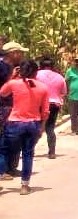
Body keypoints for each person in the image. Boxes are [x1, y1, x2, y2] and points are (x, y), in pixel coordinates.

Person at [0, 60, 49, 195]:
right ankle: (24, 186)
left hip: (14, 123)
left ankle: (1, 174)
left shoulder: (13, 84)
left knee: (3, 150)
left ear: (20, 70)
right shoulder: (43, 87)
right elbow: (45, 111)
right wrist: (42, 127)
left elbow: (2, 93)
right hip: (33, 124)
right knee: (28, 154)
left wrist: (11, 77)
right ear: (36, 72)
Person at [0, 41, 27, 180]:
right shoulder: (2, 67)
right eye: (20, 52)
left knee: (15, 139)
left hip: (15, 106)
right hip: (4, 108)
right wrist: (12, 78)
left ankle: (11, 167)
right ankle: (2, 170)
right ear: (12, 53)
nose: (22, 55)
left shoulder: (14, 66)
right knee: (5, 139)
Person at [36, 57, 67, 159]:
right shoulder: (59, 77)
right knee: (50, 128)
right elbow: (64, 92)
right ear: (52, 66)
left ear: (41, 65)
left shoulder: (37, 74)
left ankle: (29, 150)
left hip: (40, 104)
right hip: (55, 104)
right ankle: (52, 152)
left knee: (37, 127)